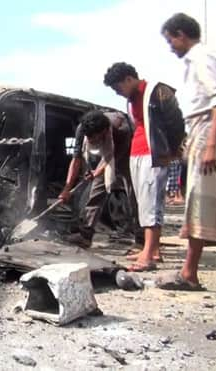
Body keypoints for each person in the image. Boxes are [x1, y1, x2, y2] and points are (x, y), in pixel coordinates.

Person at [158, 13, 216, 290]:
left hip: (209, 130)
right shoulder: (196, 61)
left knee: (201, 202)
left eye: (171, 41)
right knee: (207, 204)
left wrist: (211, 144)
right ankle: (189, 272)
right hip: (201, 131)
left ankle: (189, 274)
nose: (171, 47)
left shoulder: (204, 57)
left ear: (180, 34)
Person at [103, 62, 185, 271]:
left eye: (118, 87)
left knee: (151, 202)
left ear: (129, 79)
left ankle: (148, 255)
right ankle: (153, 250)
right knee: (142, 202)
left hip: (154, 153)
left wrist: (172, 150)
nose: (118, 93)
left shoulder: (157, 91)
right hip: (137, 152)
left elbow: (176, 122)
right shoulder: (131, 100)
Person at [58, 110, 133, 248]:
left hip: (126, 153)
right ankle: (85, 236)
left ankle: (140, 238)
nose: (91, 140)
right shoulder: (82, 129)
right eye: (89, 138)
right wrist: (66, 189)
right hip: (105, 152)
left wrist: (96, 172)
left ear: (104, 131)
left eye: (94, 138)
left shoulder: (121, 129)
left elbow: (111, 157)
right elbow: (76, 159)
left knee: (133, 192)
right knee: (96, 193)